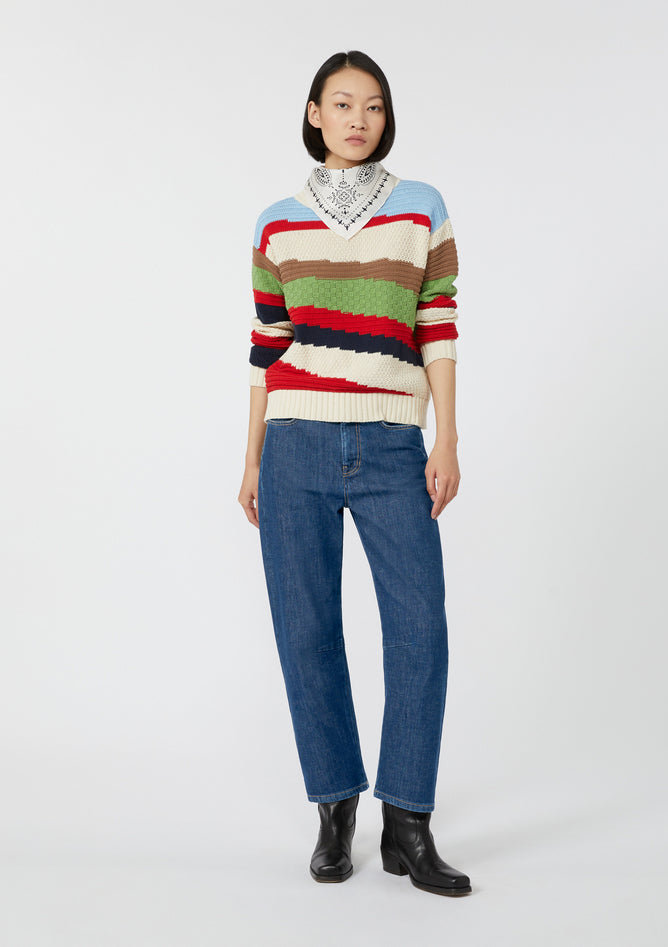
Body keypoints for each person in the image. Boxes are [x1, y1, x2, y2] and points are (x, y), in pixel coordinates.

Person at [238, 50, 471, 897]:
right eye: (341, 104)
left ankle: (407, 818)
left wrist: (447, 437)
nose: (358, 119)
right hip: (294, 442)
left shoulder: (422, 207)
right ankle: (334, 805)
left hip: (393, 440)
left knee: (420, 627)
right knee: (306, 628)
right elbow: (266, 346)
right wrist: (252, 456)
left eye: (372, 105)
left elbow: (437, 324)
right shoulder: (275, 222)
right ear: (314, 114)